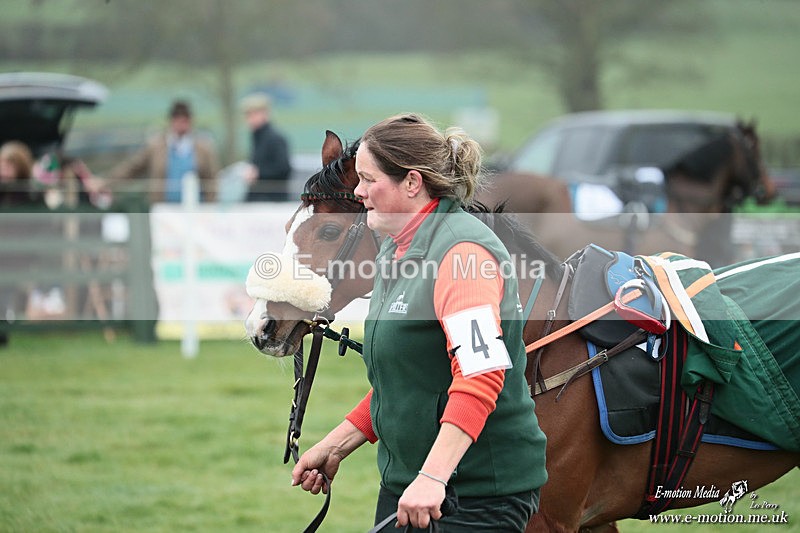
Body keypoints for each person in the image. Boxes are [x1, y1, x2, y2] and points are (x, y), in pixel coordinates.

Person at [291, 113, 548, 531]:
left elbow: (481, 375)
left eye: (368, 179)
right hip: (411, 486)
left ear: (412, 182)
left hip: (476, 494)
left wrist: (433, 477)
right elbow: (410, 379)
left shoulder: (462, 253)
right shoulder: (395, 250)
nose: (358, 192)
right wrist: (337, 444)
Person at [104, 100, 218, 203]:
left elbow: (212, 180)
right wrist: (105, 182)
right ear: (172, 121)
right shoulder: (156, 146)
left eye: (185, 120)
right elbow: (132, 168)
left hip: (196, 209)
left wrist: (210, 206)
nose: (182, 124)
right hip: (162, 209)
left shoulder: (204, 148)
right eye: (178, 120)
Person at [240, 93, 292, 201]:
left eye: (253, 114)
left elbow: (284, 169)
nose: (249, 119)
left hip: (271, 200)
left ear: (264, 114)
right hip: (258, 198)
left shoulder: (275, 138)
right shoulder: (257, 137)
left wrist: (258, 173)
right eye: (248, 115)